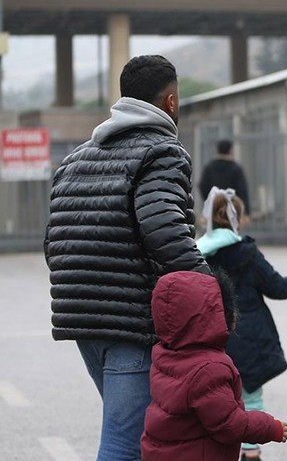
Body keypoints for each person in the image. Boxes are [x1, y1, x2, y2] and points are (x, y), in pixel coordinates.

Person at [44, 54, 210, 461]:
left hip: (82, 317)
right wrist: (210, 286)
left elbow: (54, 242)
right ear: (171, 101)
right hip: (131, 322)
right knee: (126, 443)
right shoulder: (162, 152)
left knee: (131, 432)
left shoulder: (75, 159)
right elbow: (164, 229)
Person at [196, 187, 287, 461]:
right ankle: (250, 453)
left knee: (214, 399)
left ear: (207, 219)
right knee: (251, 398)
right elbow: (277, 286)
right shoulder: (248, 253)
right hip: (249, 337)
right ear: (240, 219)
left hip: (211, 340)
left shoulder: (196, 256)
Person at [141, 270, 287, 461]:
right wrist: (270, 427)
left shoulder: (165, 355)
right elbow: (229, 424)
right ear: (211, 316)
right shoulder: (209, 369)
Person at [200, 139, 251, 217]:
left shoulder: (209, 168)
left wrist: (209, 200)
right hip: (232, 209)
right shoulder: (236, 169)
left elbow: (202, 185)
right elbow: (242, 190)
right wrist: (246, 212)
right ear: (230, 151)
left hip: (214, 208)